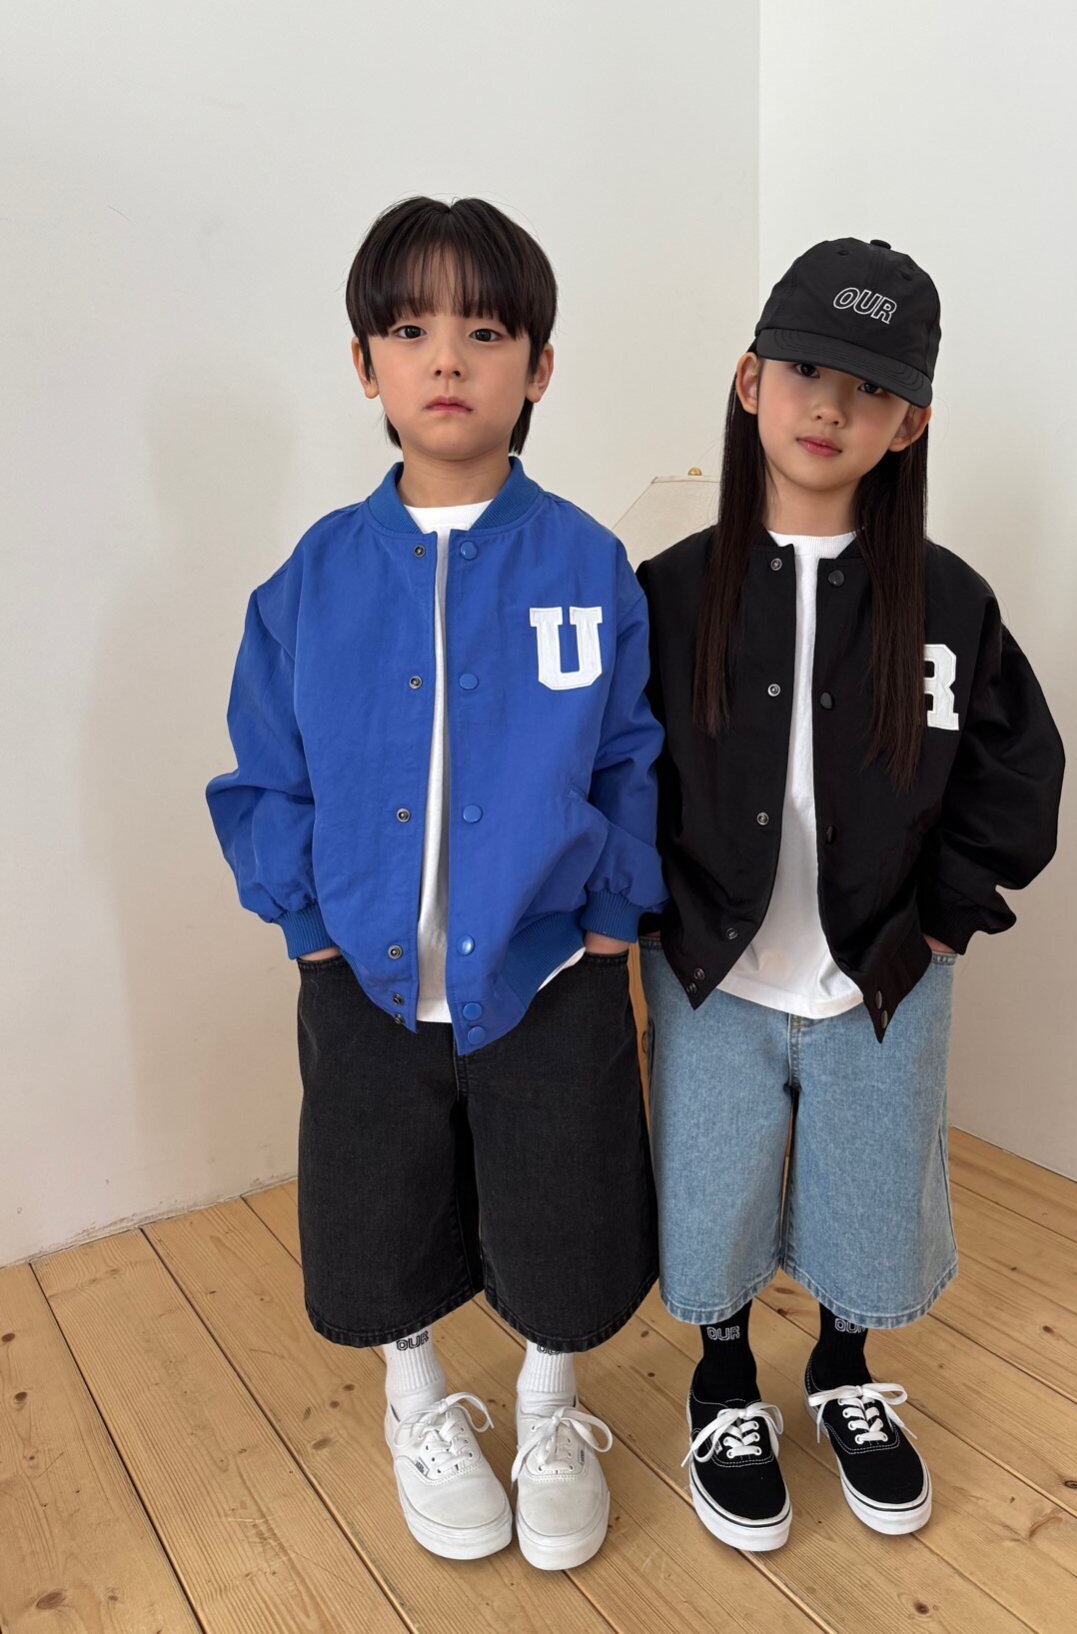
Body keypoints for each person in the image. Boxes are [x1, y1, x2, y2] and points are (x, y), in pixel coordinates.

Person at [206, 196, 667, 1570]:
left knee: (563, 1193)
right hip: (363, 971)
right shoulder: (312, 578)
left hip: (548, 967)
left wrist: (608, 922)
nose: (448, 358)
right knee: (378, 1199)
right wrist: (306, 925)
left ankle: (550, 1405)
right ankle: (414, 1400)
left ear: (540, 365)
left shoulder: (585, 561)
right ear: (365, 366)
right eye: (410, 330)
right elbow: (266, 766)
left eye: (485, 330)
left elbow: (630, 752)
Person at [634, 235, 1065, 1550]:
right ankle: (723, 1380)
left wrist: (943, 918)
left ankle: (842, 1368)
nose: (831, 407)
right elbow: (615, 767)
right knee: (710, 1180)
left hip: (885, 964)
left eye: (871, 389)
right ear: (751, 380)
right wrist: (642, 906)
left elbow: (1016, 770)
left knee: (870, 1185)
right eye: (808, 372)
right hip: (712, 966)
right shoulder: (672, 590)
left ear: (909, 424)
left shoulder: (949, 601)